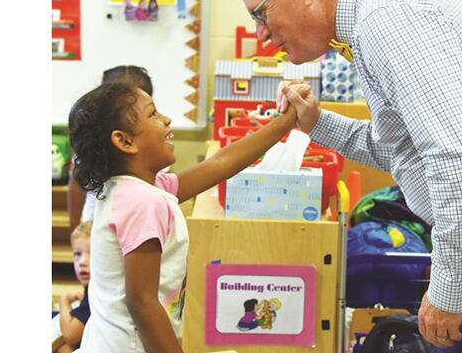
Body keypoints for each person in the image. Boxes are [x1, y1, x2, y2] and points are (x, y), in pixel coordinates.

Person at [231, 0, 462, 353]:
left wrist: (448, 288)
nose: (262, 34)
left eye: (260, 13)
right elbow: (403, 151)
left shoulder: (386, 20)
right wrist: (315, 121)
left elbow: (459, 157)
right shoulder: (369, 22)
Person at [68, 82, 302, 352]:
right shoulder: (142, 202)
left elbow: (219, 164)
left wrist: (284, 124)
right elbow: (141, 302)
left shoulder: (135, 189)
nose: (166, 119)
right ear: (124, 141)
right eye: (153, 114)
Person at [67, 65, 154, 230]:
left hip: (137, 227)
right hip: (94, 227)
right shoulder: (94, 141)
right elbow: (77, 183)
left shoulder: (154, 145)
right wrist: (75, 229)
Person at [52, 221, 92, 353]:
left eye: (91, 253)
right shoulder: (90, 288)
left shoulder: (96, 294)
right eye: (77, 254)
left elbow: (70, 334)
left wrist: (63, 300)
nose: (82, 262)